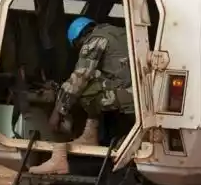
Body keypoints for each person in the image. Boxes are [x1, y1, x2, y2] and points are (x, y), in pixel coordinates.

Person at [28, 16, 136, 175]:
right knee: (89, 85)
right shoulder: (118, 33)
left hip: (126, 94)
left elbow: (80, 77)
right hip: (139, 94)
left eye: (78, 46)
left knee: (78, 94)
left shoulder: (94, 41)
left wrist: (59, 110)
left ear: (79, 39)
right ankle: (90, 133)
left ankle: (59, 158)